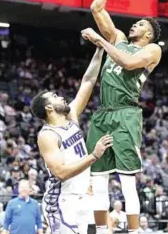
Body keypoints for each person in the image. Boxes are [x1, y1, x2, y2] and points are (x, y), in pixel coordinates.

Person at [81, 0, 162, 234]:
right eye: (136, 24)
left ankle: (135, 231)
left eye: (141, 25)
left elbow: (128, 64)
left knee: (127, 181)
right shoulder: (119, 40)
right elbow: (96, 7)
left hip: (127, 114)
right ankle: (102, 231)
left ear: (149, 34)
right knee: (99, 178)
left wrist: (101, 41)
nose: (135, 26)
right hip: (103, 112)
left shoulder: (152, 51)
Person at [31, 47, 113, 234]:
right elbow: (60, 173)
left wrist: (99, 49)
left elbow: (88, 80)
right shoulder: (47, 135)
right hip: (61, 201)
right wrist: (93, 156)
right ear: (49, 108)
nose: (61, 96)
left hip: (81, 197)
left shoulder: (71, 118)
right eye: (55, 97)